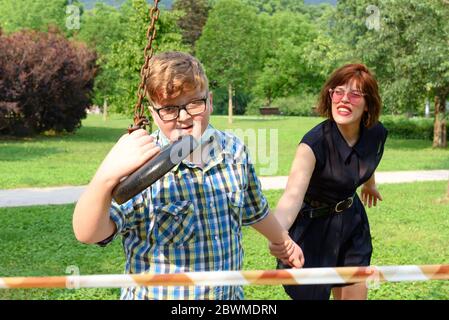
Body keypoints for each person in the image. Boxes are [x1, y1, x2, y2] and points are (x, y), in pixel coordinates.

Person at [73, 51, 303, 300]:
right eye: (169, 109)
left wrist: (283, 241)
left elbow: (254, 208)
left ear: (210, 101)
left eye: (194, 103)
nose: (183, 117)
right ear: (153, 113)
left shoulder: (233, 150)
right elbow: (88, 233)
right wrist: (106, 176)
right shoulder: (140, 168)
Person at [271, 63, 388, 300]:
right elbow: (292, 196)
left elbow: (367, 158)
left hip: (352, 223)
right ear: (330, 95)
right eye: (338, 92)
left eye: (355, 94)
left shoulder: (375, 133)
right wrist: (278, 233)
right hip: (313, 230)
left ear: (368, 105)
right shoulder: (312, 145)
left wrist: (369, 184)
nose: (344, 99)